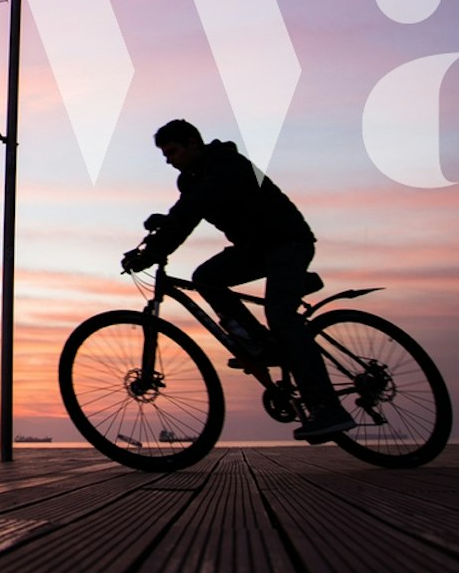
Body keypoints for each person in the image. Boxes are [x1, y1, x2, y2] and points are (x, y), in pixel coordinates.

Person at [123, 118, 356, 443]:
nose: (168, 160)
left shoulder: (227, 163)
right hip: (255, 249)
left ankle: (328, 408)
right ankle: (259, 343)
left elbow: (196, 207)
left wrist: (158, 244)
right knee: (207, 277)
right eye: (164, 154)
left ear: (193, 143)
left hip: (288, 242)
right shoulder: (191, 181)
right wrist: (154, 243)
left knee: (282, 317)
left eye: (172, 151)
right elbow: (184, 214)